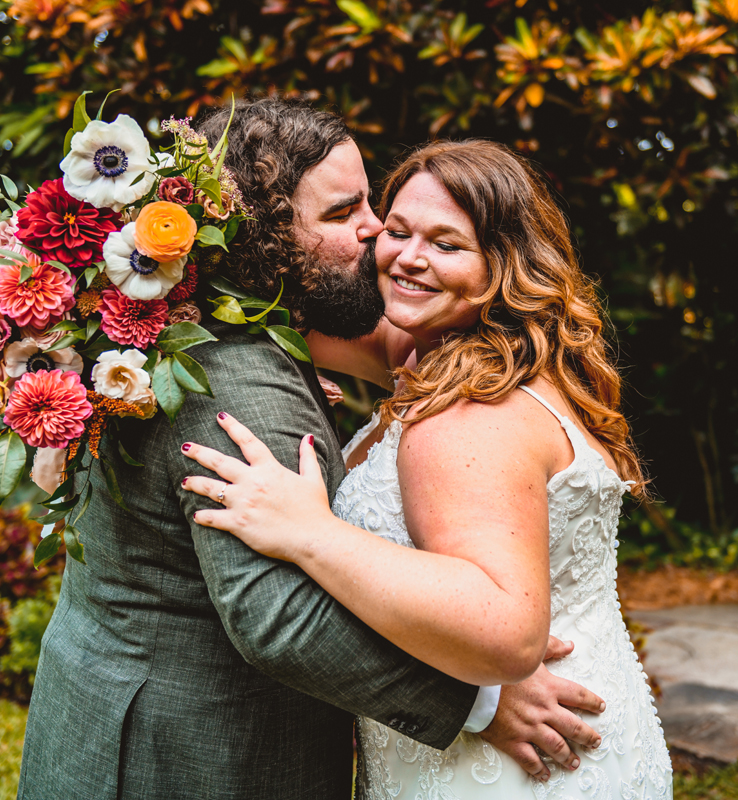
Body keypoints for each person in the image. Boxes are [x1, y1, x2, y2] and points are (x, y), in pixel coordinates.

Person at [17, 101, 604, 800]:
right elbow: (281, 618)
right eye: (341, 212)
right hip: (182, 756)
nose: (375, 229)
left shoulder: (211, 331)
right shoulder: (234, 383)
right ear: (266, 236)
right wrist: (477, 704)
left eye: (370, 202)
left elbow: (409, 327)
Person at [180, 139, 674, 798]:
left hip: (511, 768)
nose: (410, 258)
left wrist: (311, 532)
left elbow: (503, 631)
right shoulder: (450, 349)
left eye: (447, 245)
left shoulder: (474, 412)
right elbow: (269, 311)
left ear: (504, 265)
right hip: (590, 738)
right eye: (399, 231)